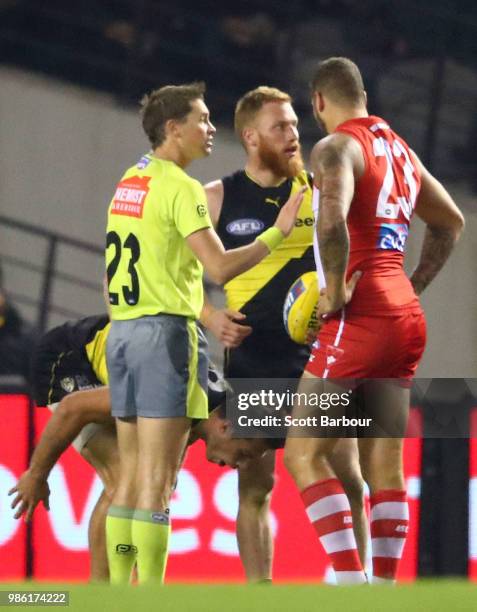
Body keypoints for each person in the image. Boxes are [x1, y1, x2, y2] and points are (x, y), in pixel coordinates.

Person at [104, 82, 304, 585]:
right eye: (203, 119)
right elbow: (218, 266)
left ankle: (116, 593)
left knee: (129, 481)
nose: (211, 129)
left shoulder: (132, 180)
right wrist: (277, 230)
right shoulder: (184, 188)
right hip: (162, 336)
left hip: (123, 332)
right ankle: (149, 595)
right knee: (158, 481)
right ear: (174, 129)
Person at [283, 57, 465, 584]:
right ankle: (384, 589)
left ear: (319, 102)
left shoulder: (335, 147)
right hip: (404, 312)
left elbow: (334, 217)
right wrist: (416, 283)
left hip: (360, 313)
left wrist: (336, 290)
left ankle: (348, 581)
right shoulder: (401, 148)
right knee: (385, 465)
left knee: (302, 452)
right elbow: (450, 222)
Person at [201, 86, 366, 581]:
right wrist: (209, 316)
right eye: (281, 127)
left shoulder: (323, 189)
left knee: (351, 481)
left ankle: (353, 590)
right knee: (255, 489)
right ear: (251, 136)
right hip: (255, 361)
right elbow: (170, 277)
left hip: (322, 356)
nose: (294, 134)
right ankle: (261, 594)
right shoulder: (216, 197)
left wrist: (351, 288)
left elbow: (356, 255)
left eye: (295, 124)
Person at [8, 314, 271, 581]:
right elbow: (73, 408)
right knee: (127, 479)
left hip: (132, 355)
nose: (240, 464)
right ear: (224, 427)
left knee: (153, 487)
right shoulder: (170, 392)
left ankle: (127, 592)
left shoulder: (203, 410)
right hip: (69, 358)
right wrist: (37, 475)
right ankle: (100, 597)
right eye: (244, 454)